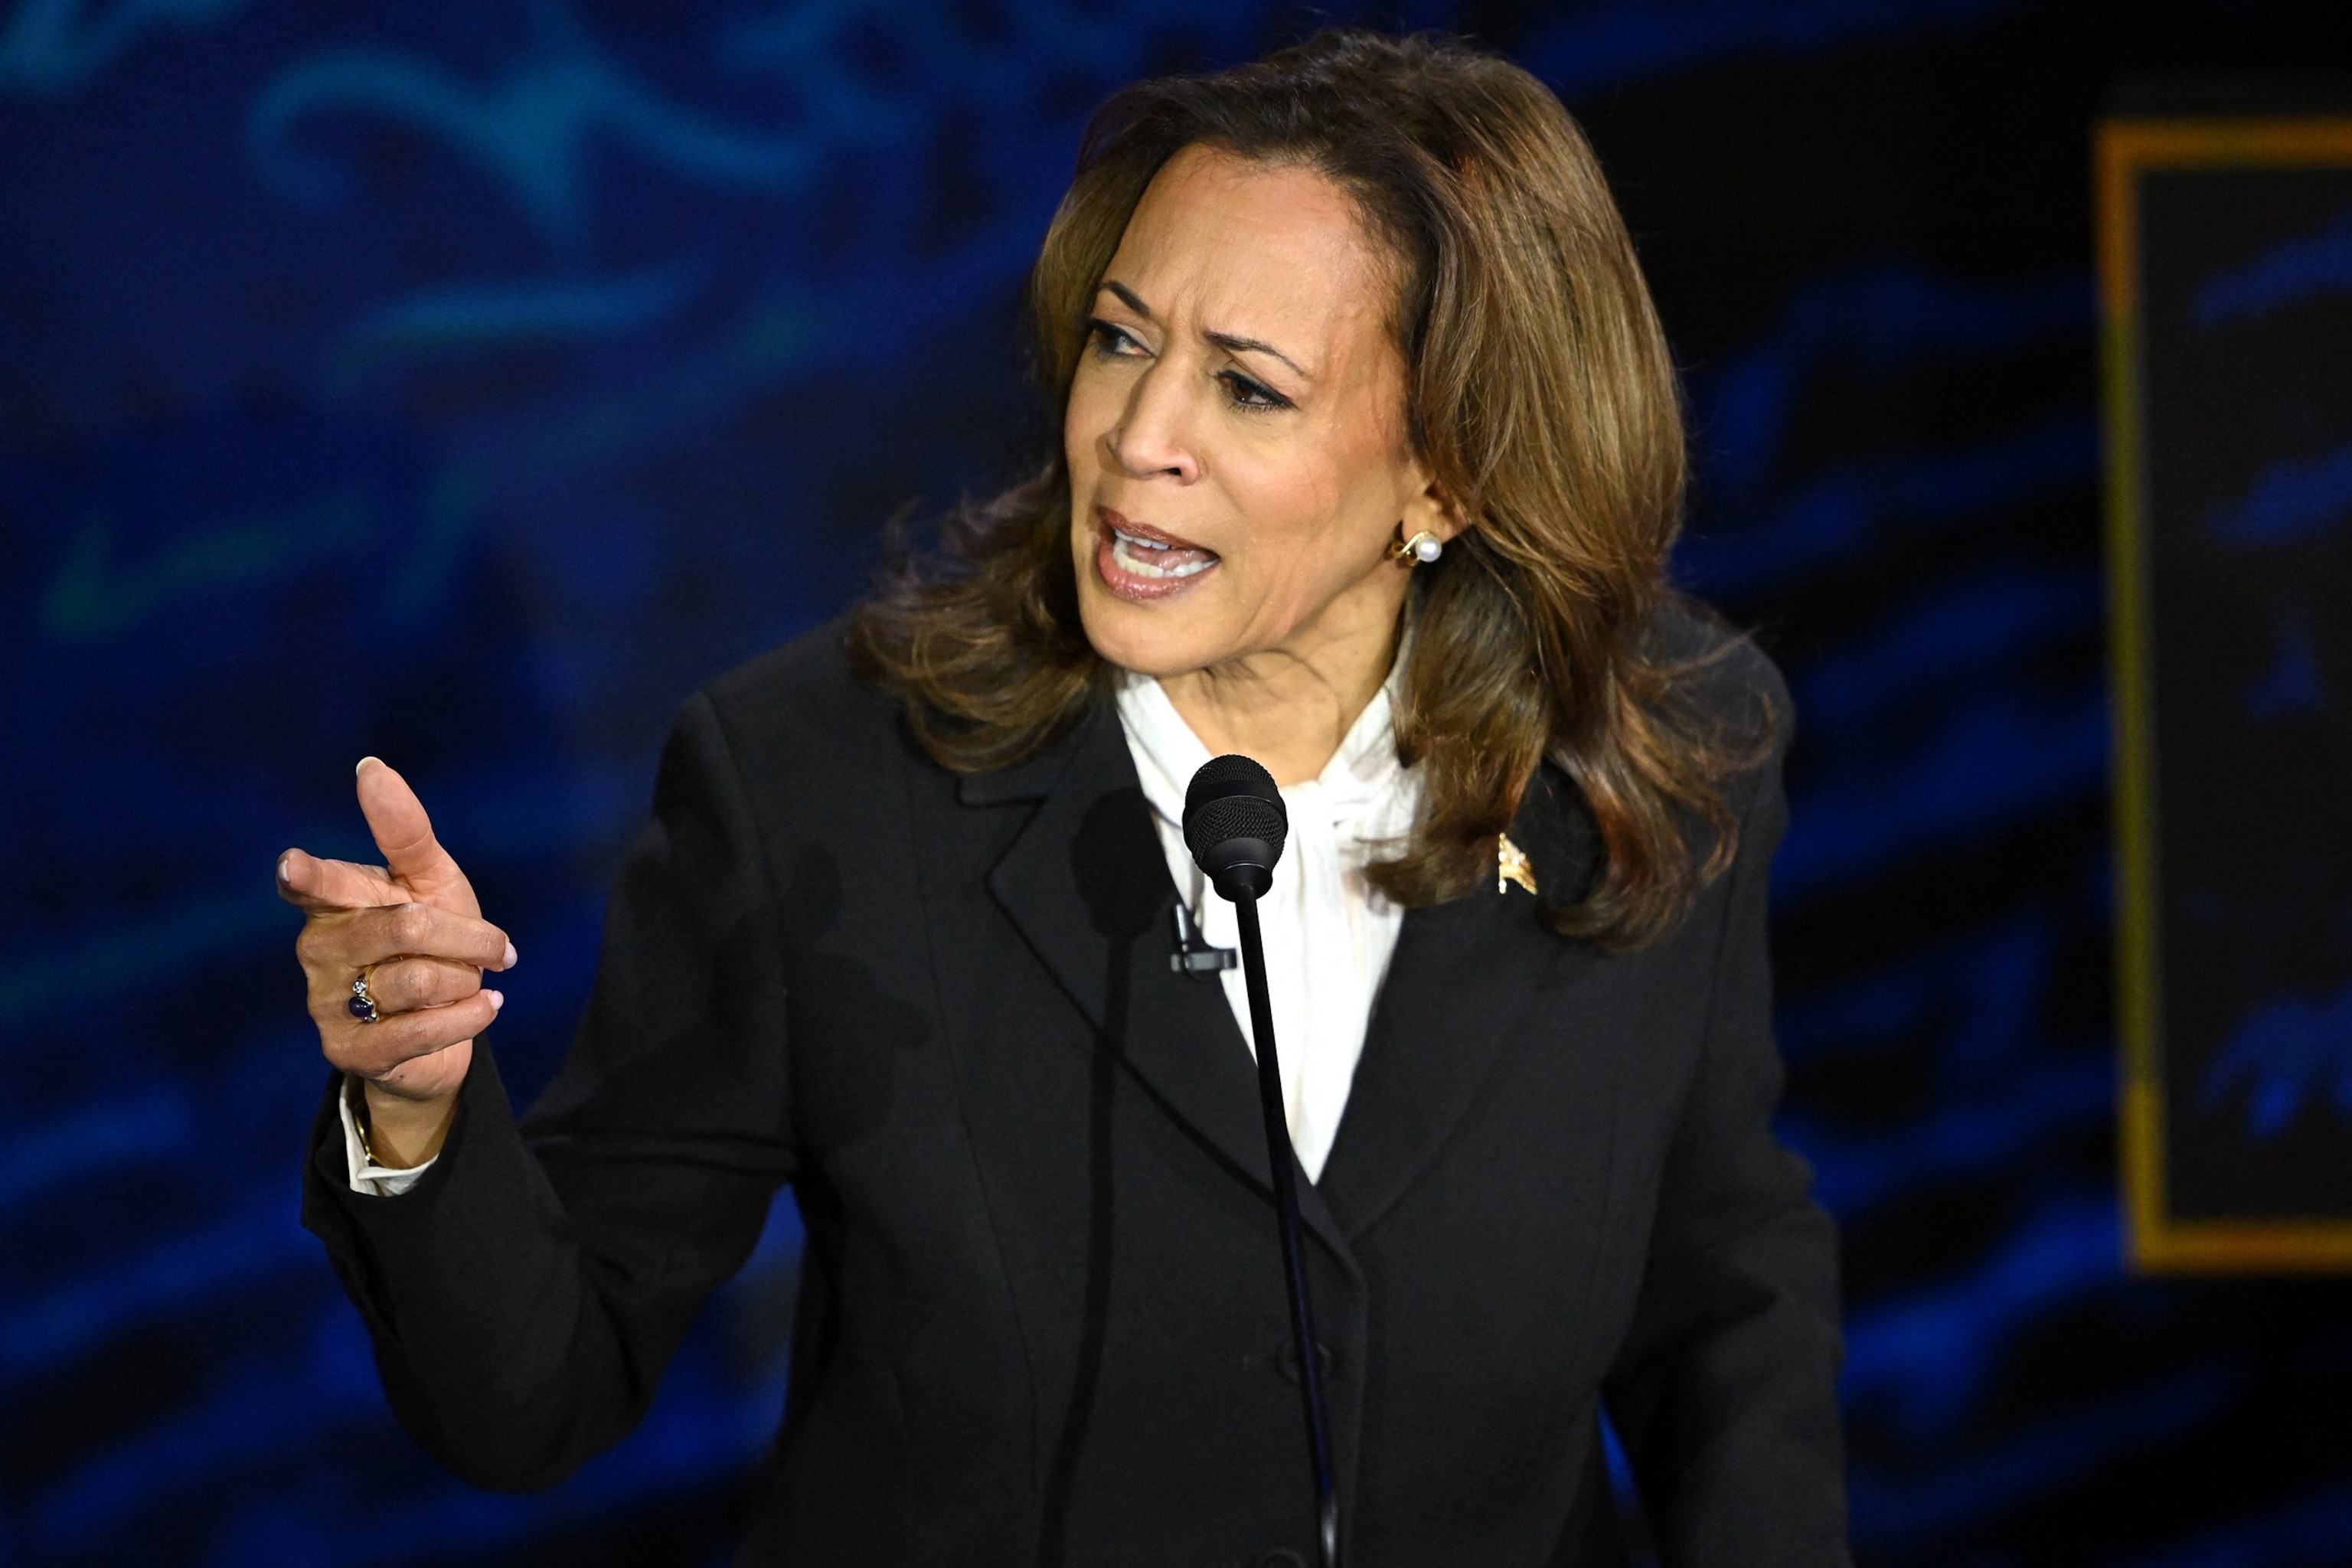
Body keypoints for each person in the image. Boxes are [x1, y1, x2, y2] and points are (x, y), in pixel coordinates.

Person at [279, 30, 1847, 1566]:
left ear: (1449, 473)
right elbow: (534, 1393)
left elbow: (1724, 1296)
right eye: (1121, 338)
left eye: (1248, 388)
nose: (1137, 437)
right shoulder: (817, 783)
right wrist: (414, 1118)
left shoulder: (1656, 747)